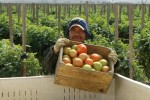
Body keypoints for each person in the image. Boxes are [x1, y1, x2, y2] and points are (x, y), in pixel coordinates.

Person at [43, 17, 118, 74]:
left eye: (81, 30)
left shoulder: (92, 52)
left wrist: (114, 64)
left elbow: (109, 76)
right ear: (68, 33)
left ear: (86, 34)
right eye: (73, 30)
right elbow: (47, 68)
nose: (77, 33)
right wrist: (54, 50)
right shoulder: (62, 50)